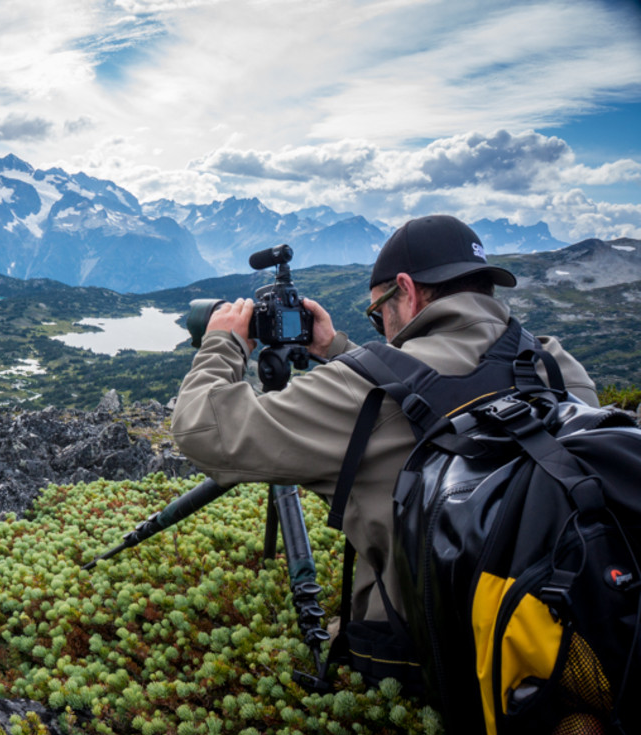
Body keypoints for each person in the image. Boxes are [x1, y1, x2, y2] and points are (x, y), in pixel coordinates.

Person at [170, 214, 598, 625]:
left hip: (427, 659)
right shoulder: (557, 366)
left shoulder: (361, 395)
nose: (384, 333)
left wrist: (223, 343)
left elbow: (201, 428)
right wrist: (338, 349)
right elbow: (431, 392)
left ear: (407, 291)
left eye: (379, 315)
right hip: (573, 617)